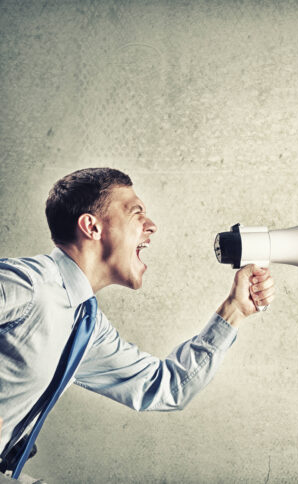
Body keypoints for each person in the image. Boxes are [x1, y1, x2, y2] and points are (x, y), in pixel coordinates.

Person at [0, 168, 275, 482]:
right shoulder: (28, 283)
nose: (152, 226)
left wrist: (235, 310)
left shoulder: (84, 327)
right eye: (136, 213)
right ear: (91, 226)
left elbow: (167, 387)